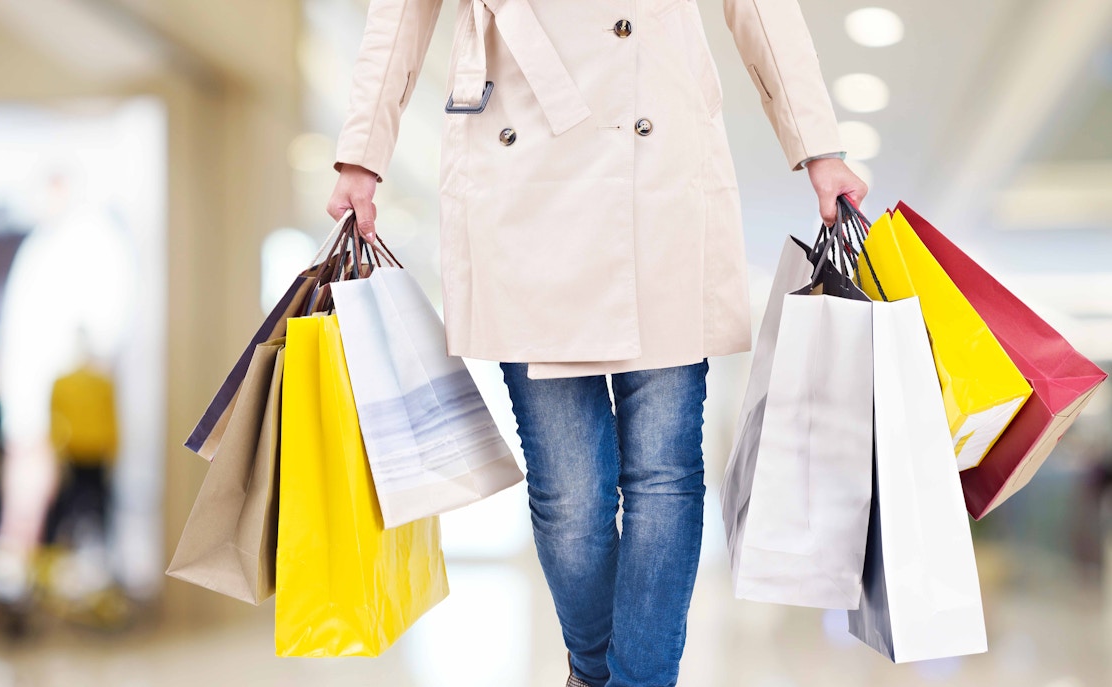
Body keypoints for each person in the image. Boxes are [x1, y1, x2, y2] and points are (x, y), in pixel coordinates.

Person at [326, 1, 867, 685]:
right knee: (571, 492)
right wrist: (363, 155)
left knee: (665, 473)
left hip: (659, 170)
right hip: (520, 162)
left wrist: (818, 143)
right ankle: (591, 669)